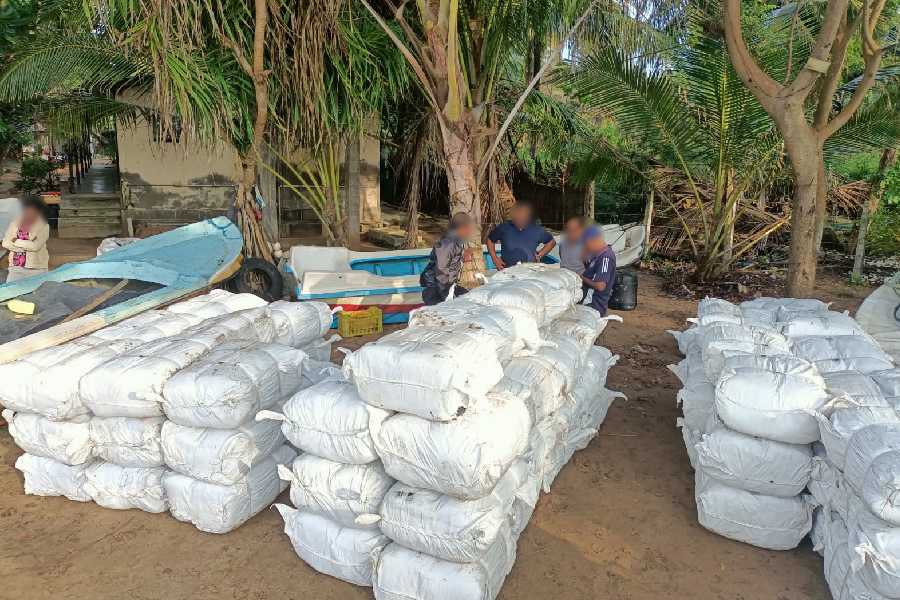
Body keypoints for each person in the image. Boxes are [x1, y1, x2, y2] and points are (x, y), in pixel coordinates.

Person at [419, 212, 476, 306]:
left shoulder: (456, 242)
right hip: (437, 290)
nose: (469, 232)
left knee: (468, 297)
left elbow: (450, 262)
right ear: (461, 228)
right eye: (468, 229)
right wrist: (446, 296)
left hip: (448, 287)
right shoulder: (447, 243)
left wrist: (461, 259)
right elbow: (441, 271)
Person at [486, 201, 556, 270]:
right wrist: (494, 259)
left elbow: (552, 242)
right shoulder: (504, 228)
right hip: (508, 271)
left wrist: (540, 254)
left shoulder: (537, 229)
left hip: (530, 271)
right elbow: (490, 240)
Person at [3, 196, 50, 283]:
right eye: (25, 210)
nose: (27, 213)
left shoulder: (43, 226)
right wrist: (26, 245)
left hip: (36, 268)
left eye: (31, 211)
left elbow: (35, 246)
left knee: (38, 294)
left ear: (39, 211)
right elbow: (5, 243)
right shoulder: (15, 223)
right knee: (10, 292)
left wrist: (15, 241)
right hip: (15, 267)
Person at [580, 226, 617, 316]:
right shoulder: (598, 255)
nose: (585, 247)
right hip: (588, 302)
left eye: (586, 244)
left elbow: (600, 286)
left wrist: (581, 277)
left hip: (593, 305)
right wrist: (585, 260)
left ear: (594, 240)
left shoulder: (606, 257)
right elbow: (594, 273)